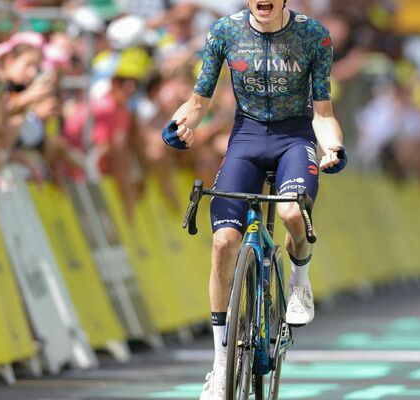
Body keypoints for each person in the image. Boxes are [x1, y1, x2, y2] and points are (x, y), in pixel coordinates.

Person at [162, 1, 346, 399]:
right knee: (223, 242)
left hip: (294, 137)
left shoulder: (314, 35)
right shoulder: (224, 32)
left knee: (291, 212)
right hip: (246, 138)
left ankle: (300, 280)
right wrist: (180, 126)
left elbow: (323, 112)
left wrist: (332, 147)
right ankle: (220, 363)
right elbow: (198, 103)